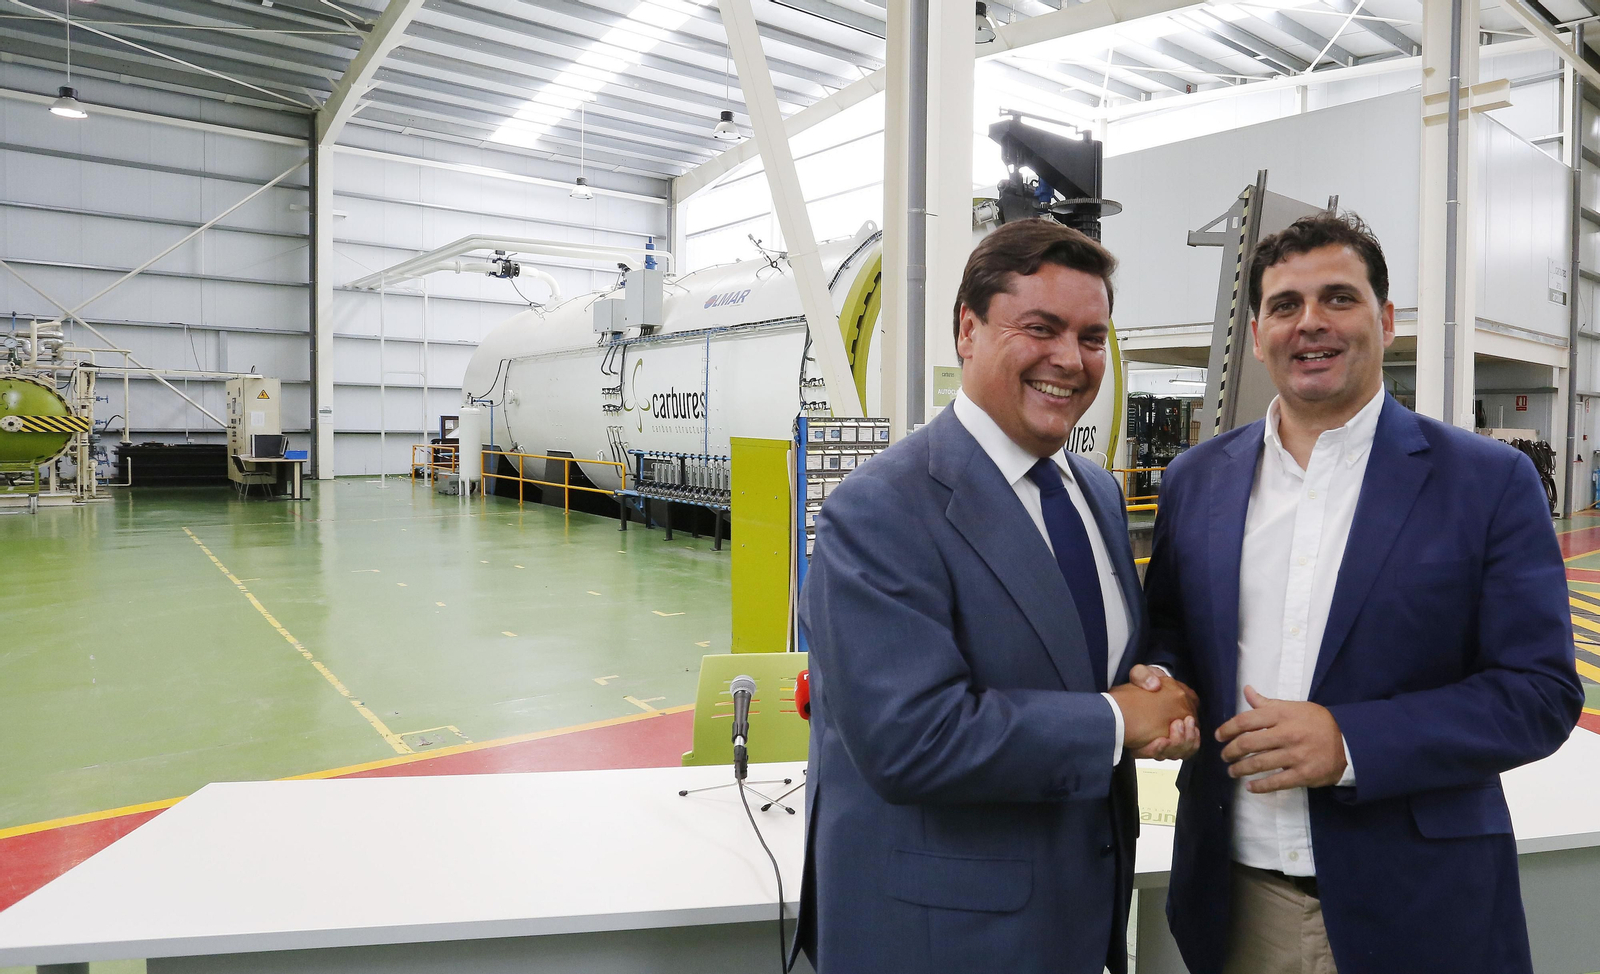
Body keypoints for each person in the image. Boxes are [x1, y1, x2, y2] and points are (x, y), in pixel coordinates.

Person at [1142, 212, 1583, 974]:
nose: (1310, 323)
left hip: (1421, 905)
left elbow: (1540, 694)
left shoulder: (1484, 483)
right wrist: (1163, 685)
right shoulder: (1197, 479)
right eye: (1285, 306)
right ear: (1255, 333)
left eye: (1338, 298)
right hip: (1238, 904)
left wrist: (1350, 742)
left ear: (1383, 319)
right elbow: (1174, 633)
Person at [793, 219, 1199, 974]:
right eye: (1040, 328)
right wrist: (1117, 720)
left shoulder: (1098, 496)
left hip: (1077, 916)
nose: (1069, 360)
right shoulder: (880, 509)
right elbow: (912, 739)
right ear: (968, 330)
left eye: (1089, 336)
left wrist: (1153, 687)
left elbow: (1088, 664)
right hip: (942, 935)